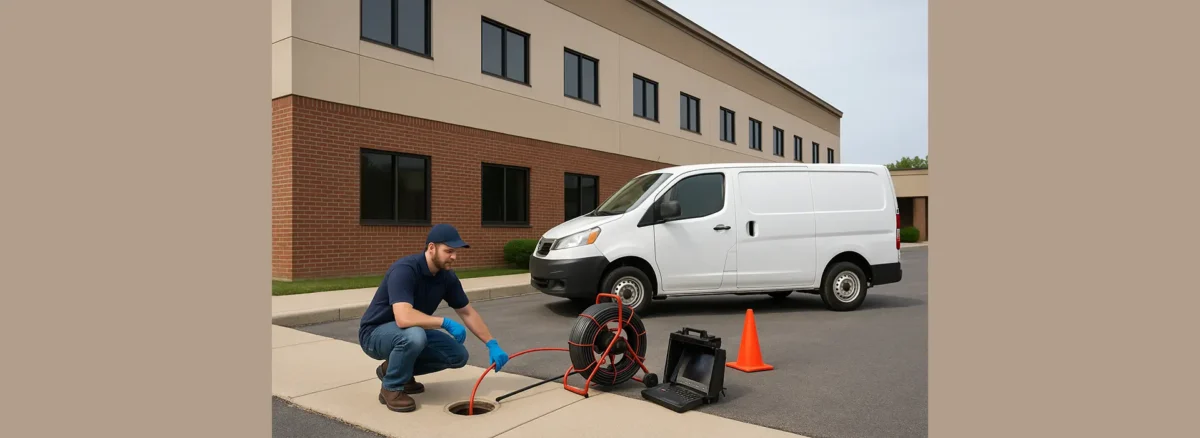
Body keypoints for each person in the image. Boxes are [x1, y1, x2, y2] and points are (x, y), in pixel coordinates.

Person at [358, 223, 510, 413]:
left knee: (457, 355)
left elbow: (467, 312)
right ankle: (391, 387)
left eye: (455, 252)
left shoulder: (446, 277)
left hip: (409, 331)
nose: (453, 257)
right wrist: (443, 322)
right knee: (414, 336)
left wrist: (491, 343)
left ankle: (397, 372)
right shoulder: (405, 270)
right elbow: (403, 317)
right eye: (449, 251)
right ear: (431, 247)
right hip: (375, 334)